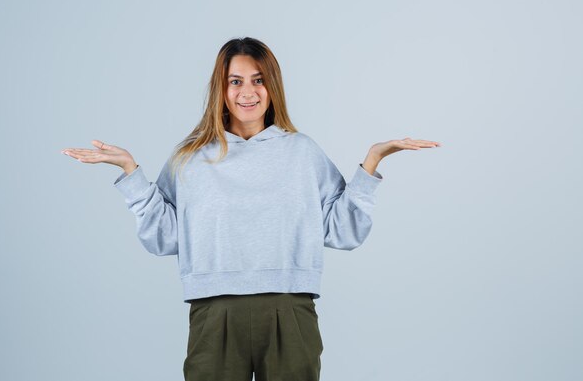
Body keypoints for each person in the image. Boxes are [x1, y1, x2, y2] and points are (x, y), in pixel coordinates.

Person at [61, 37, 441, 381]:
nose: (248, 92)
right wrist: (131, 172)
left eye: (259, 80)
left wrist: (372, 163)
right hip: (215, 313)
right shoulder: (190, 157)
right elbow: (165, 238)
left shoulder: (302, 152)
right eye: (235, 81)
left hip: (289, 309)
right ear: (220, 89)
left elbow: (342, 233)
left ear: (272, 87)